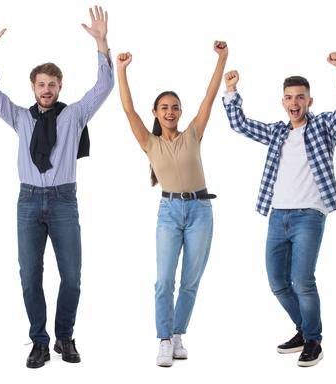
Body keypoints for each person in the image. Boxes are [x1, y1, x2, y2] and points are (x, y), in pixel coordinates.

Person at [0, 8, 113, 368]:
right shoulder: (21, 117)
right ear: (33, 87)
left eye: (52, 84)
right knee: (29, 276)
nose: (47, 90)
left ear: (59, 87)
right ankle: (38, 341)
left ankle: (64, 337)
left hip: (64, 200)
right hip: (28, 201)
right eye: (41, 84)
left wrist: (101, 41)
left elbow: (104, 86)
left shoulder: (74, 116)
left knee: (71, 275)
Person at [223, 50, 336, 368]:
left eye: (300, 97)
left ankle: (314, 340)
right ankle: (305, 329)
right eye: (289, 97)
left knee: (302, 280)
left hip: (310, 215)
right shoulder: (277, 132)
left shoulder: (324, 126)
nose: (294, 102)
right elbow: (240, 125)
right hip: (278, 215)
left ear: (309, 101)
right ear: (283, 102)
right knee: (277, 282)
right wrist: (231, 91)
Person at [113, 41, 228, 367]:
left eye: (175, 107)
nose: (170, 111)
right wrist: (121, 71)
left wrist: (222, 59)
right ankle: (164, 339)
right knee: (165, 280)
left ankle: (178, 334)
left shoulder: (193, 133)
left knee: (190, 281)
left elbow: (209, 97)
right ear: (156, 113)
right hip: (169, 212)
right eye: (164, 107)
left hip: (200, 211)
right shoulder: (149, 143)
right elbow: (127, 109)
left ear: (180, 111)